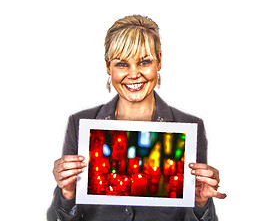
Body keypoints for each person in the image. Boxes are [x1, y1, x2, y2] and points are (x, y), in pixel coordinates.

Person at [47, 14, 226, 221]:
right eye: (122, 64)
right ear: (108, 67)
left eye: (144, 62)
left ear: (159, 62)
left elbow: (194, 213)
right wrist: (67, 195)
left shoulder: (189, 127)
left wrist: (201, 204)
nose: (133, 74)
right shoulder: (79, 124)